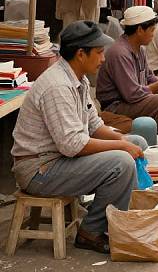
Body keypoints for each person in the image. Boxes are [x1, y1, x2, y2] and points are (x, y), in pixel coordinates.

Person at [11, 21, 146, 254]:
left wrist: (124, 141)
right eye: (99, 53)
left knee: (137, 142)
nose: (103, 58)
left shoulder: (78, 78)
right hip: (39, 169)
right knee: (121, 162)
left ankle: (114, 215)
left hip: (58, 159)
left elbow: (94, 125)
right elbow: (72, 145)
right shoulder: (57, 86)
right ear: (81, 54)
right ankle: (91, 232)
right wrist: (120, 147)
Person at [96, 6, 158, 131]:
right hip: (117, 105)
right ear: (140, 30)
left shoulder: (139, 48)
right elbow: (132, 95)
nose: (153, 34)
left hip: (133, 99)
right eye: (152, 30)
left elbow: (149, 77)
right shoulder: (119, 53)